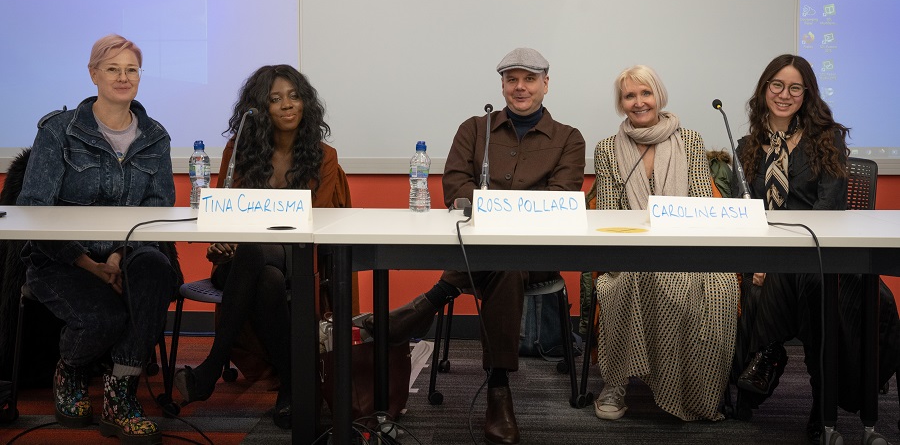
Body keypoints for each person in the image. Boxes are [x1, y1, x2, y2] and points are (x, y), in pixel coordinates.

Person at [364, 47, 585, 445]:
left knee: (509, 260)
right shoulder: (474, 128)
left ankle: (422, 308)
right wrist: (505, 211)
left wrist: (495, 209)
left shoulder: (569, 138)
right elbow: (455, 187)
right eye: (512, 79)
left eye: (529, 79)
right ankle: (498, 391)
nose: (520, 87)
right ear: (502, 85)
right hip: (477, 250)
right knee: (501, 262)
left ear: (546, 85)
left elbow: (560, 199)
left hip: (535, 255)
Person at [16, 34, 177, 444]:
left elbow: (156, 211)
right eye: (112, 69)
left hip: (126, 255)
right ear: (93, 75)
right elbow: (34, 208)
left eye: (131, 70)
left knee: (158, 271)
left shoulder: (155, 136)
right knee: (107, 317)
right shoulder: (59, 131)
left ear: (140, 76)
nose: (123, 78)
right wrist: (91, 265)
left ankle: (120, 393)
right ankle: (69, 369)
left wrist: (119, 260)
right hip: (62, 261)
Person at [732, 54, 899, 443]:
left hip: (817, 252)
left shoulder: (828, 139)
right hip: (767, 257)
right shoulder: (747, 146)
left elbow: (829, 208)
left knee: (817, 284)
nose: (784, 94)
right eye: (777, 85)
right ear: (764, 89)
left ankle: (771, 357)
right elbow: (744, 212)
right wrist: (759, 259)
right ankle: (822, 404)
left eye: (795, 87)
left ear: (807, 94)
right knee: (803, 286)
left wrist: (781, 259)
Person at [174, 64, 351, 429]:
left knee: (261, 259)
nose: (288, 105)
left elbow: (318, 222)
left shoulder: (324, 156)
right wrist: (221, 242)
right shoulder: (238, 152)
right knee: (264, 275)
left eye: (294, 96)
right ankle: (291, 384)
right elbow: (223, 212)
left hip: (296, 257)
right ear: (259, 109)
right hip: (240, 263)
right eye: (275, 99)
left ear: (306, 103)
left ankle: (210, 369)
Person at [592, 65, 739, 422]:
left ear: (659, 97)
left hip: (687, 249)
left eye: (646, 93)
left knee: (720, 288)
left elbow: (703, 202)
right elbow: (610, 215)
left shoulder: (690, 140)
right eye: (630, 95)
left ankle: (699, 388)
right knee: (624, 282)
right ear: (621, 103)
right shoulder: (607, 149)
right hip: (630, 252)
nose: (639, 102)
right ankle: (615, 383)